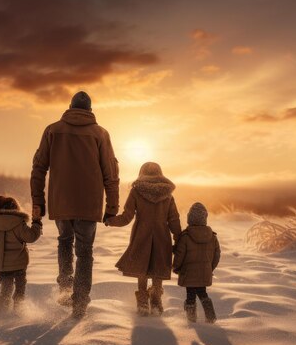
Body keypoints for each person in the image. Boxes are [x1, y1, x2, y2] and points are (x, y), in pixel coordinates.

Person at [30, 91, 120, 318]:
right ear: (90, 110)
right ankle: (80, 301)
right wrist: (111, 209)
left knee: (64, 241)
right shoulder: (100, 133)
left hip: (61, 202)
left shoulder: (53, 130)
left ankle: (65, 287)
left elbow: (38, 169)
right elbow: (111, 173)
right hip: (89, 205)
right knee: (85, 252)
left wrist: (38, 206)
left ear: (70, 106)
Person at [105, 162, 181, 316]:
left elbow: (127, 217)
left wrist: (110, 220)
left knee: (142, 267)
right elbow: (173, 219)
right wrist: (179, 237)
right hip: (162, 236)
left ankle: (142, 302)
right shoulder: (168, 195)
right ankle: (156, 300)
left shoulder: (136, 191)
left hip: (141, 235)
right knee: (158, 267)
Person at [0, 195, 42, 317]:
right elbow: (31, 237)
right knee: (20, 289)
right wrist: (37, 222)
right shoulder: (19, 224)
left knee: (6, 288)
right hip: (19, 264)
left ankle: (2, 314)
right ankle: (18, 312)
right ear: (15, 209)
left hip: (2, 265)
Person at [173, 202, 221, 323]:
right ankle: (210, 317)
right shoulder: (212, 237)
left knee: (190, 296)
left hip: (188, 273)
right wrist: (210, 268)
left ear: (189, 218)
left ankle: (191, 319)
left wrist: (176, 267)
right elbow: (217, 255)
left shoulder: (185, 236)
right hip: (204, 272)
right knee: (203, 293)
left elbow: (179, 255)